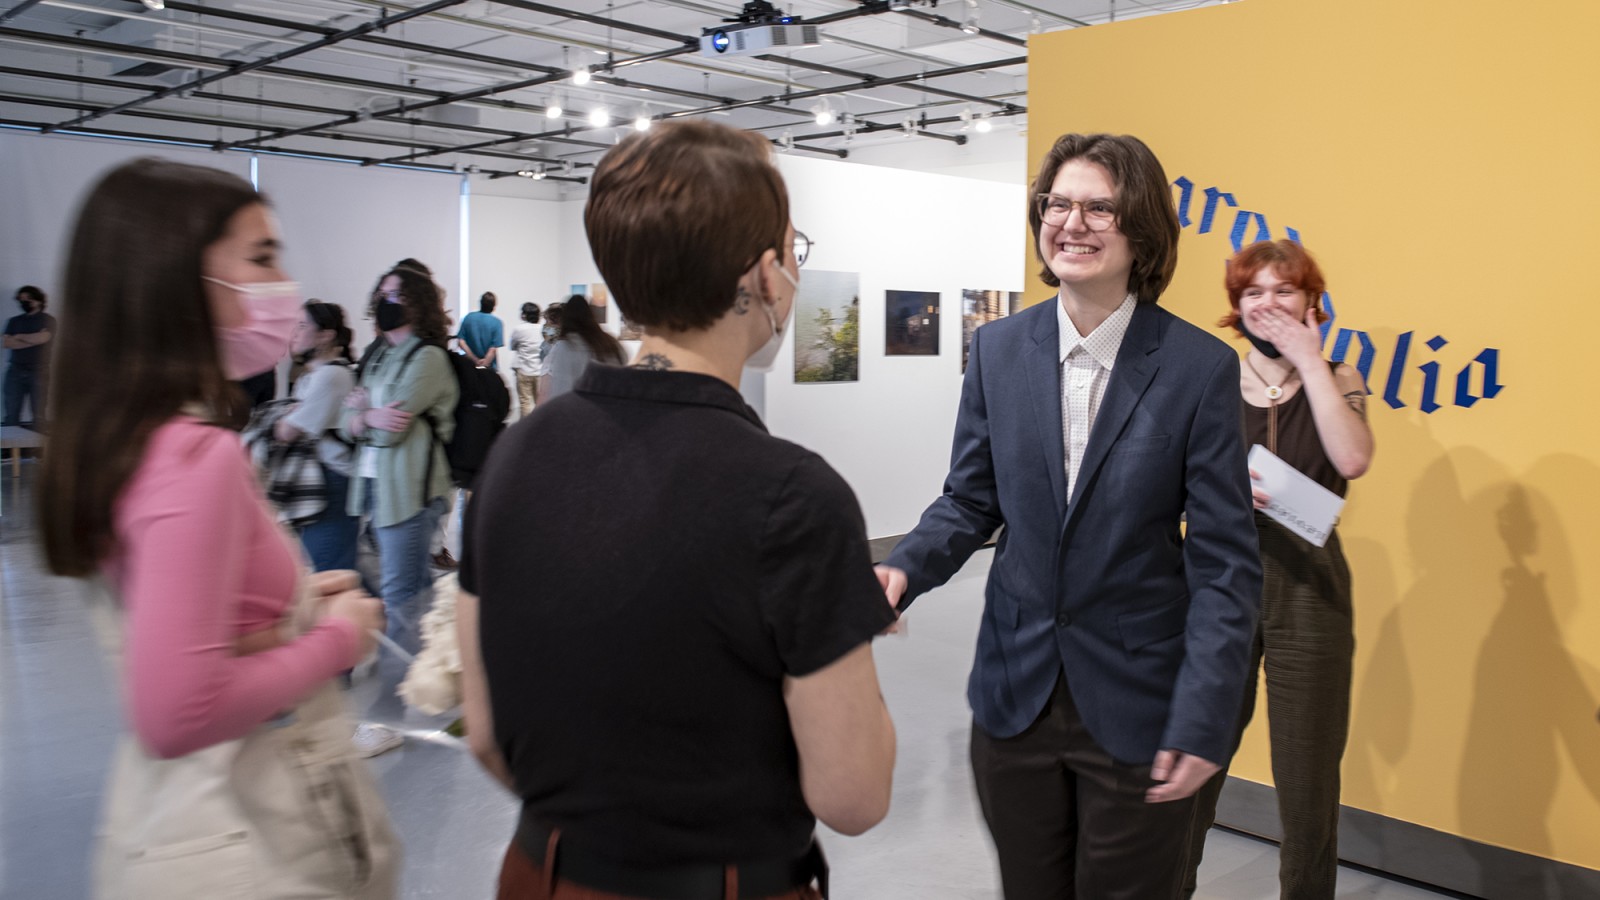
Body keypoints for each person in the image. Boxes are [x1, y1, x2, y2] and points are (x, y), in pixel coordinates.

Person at [457, 120, 896, 900]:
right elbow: (853, 796)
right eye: (794, 250)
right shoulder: (793, 496)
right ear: (764, 276)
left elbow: (487, 735)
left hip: (542, 874)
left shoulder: (517, 455)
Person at [877, 132, 1263, 899]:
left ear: (1142, 231)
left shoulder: (1196, 367)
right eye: (1058, 204)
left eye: (1099, 208)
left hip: (1138, 701)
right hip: (1014, 695)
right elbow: (969, 498)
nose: (1072, 223)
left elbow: (1224, 561)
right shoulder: (997, 350)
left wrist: (1207, 713)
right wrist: (902, 567)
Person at [35, 157, 396, 898]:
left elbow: (186, 611)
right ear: (178, 281)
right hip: (244, 846)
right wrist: (337, 639)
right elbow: (178, 707)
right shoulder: (195, 456)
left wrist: (293, 605)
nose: (282, 285)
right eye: (261, 258)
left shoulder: (132, 441)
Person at [1182, 240, 1374, 900]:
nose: (1269, 303)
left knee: (1308, 778)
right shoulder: (1207, 380)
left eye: (1284, 290)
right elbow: (1162, 484)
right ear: (1236, 306)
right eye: (1254, 292)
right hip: (1217, 585)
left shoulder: (1339, 377)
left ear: (1311, 303)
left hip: (1310, 587)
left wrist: (1310, 363)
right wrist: (1218, 485)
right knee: (1195, 762)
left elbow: (1351, 461)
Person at [341, 262, 459, 755]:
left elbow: (391, 425)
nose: (388, 301)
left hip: (410, 492)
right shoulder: (379, 358)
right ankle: (463, 673)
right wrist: (367, 413)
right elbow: (352, 419)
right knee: (418, 596)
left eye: (398, 295)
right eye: (384, 293)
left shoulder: (427, 359)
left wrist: (365, 413)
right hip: (377, 488)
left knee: (401, 599)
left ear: (417, 303)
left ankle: (388, 717)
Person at [276, 300, 362, 575]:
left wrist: (290, 414)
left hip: (332, 482)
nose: (295, 333)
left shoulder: (331, 376)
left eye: (302, 326)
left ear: (326, 335)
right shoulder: (312, 378)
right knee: (331, 569)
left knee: (327, 574)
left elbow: (285, 432)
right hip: (321, 479)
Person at [538, 294, 624, 402]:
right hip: (610, 410)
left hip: (579, 411)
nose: (547, 326)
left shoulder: (564, 347)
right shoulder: (612, 343)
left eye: (550, 322)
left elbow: (559, 392)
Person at [3, 284, 56, 429]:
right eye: (21, 299)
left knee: (39, 416)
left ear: (38, 301)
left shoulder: (48, 320)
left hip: (39, 371)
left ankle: (37, 450)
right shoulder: (14, 321)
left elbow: (44, 338)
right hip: (15, 371)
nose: (23, 302)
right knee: (11, 415)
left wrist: (19, 337)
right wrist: (33, 339)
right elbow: (7, 343)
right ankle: (10, 451)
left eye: (28, 299)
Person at [508, 301, 544, 418]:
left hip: (523, 369)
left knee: (525, 403)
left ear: (524, 315)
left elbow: (512, 346)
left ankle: (526, 430)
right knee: (541, 402)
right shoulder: (544, 329)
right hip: (540, 370)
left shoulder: (519, 329)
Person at [459, 290, 504, 371]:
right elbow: (493, 349)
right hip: (489, 368)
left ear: (480, 303)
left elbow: (461, 342)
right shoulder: (497, 322)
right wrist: (484, 364)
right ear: (494, 306)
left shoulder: (468, 317)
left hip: (469, 366)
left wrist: (474, 359)